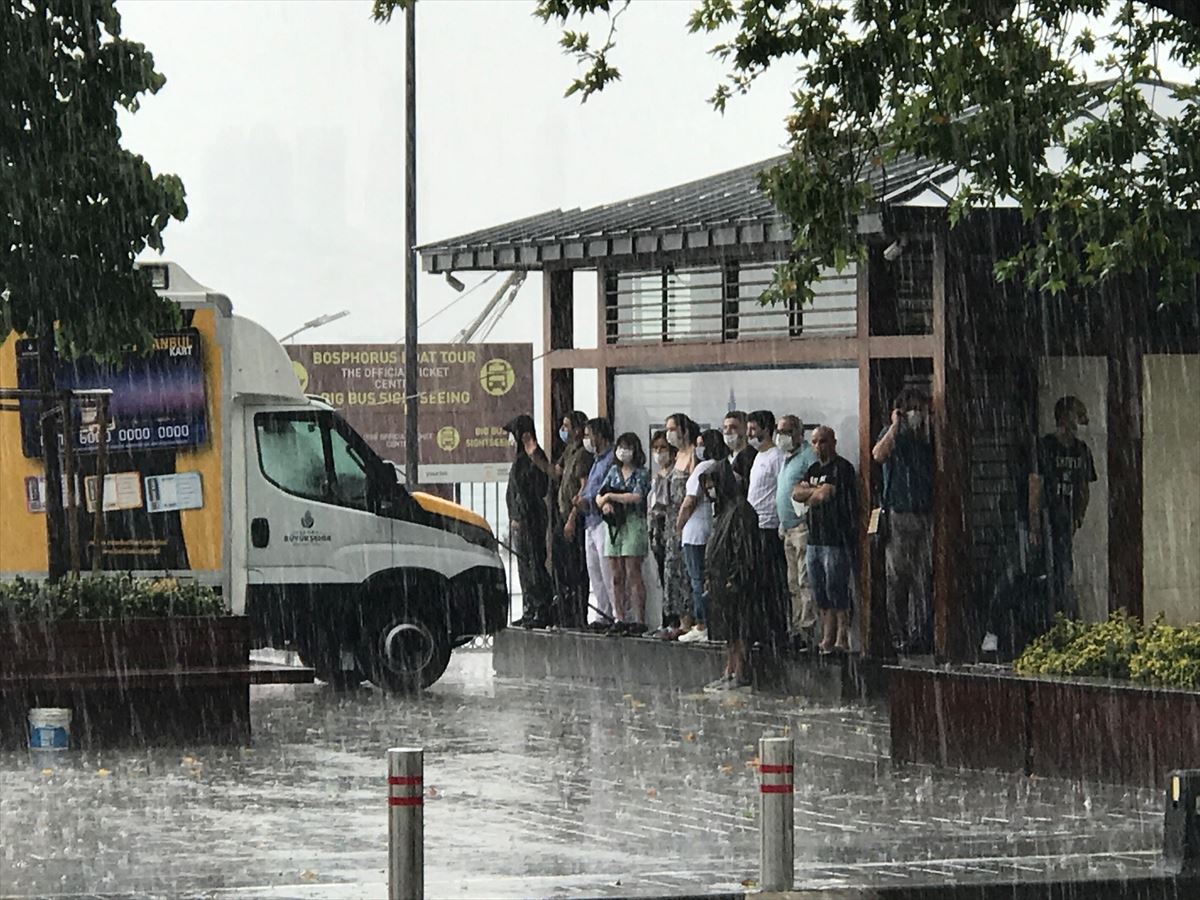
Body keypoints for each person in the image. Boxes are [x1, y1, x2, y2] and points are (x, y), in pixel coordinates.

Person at [871, 387, 935, 654]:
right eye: (912, 409)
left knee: (923, 576)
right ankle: (899, 634)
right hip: (898, 512)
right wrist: (896, 425)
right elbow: (878, 454)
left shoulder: (927, 438)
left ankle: (920, 632)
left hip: (925, 513)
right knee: (898, 577)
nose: (917, 414)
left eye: (921, 409)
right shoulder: (892, 434)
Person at [1029, 395, 1097, 620]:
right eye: (1076, 416)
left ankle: (1062, 617)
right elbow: (1035, 486)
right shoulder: (1046, 447)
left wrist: (1078, 517)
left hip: (1065, 519)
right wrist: (1035, 523)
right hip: (1048, 516)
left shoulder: (1081, 450)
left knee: (1063, 572)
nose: (1078, 423)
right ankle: (1048, 617)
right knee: (1040, 571)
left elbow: (1084, 489)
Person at [794, 426, 858, 654]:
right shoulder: (812, 469)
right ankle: (827, 636)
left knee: (837, 588)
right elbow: (796, 494)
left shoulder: (842, 468)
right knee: (819, 590)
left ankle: (843, 637)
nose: (818, 446)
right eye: (814, 442)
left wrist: (811, 492)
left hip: (836, 538)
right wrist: (814, 490)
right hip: (814, 539)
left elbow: (824, 495)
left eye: (823, 441)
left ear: (833, 442)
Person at [703, 459, 765, 691]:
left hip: (736, 582)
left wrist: (736, 577)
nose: (709, 490)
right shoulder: (723, 510)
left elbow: (745, 549)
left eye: (712, 484)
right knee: (729, 630)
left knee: (741, 629)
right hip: (721, 580)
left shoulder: (741, 510)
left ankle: (741, 673)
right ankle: (730, 670)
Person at [675, 428, 729, 643]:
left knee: (698, 579)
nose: (697, 448)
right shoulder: (721, 466)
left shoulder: (704, 467)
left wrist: (678, 525)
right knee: (705, 578)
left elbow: (689, 501)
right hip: (708, 528)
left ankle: (702, 623)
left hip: (695, 531)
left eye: (700, 443)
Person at [598, 433, 651, 633]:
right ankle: (619, 617)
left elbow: (636, 497)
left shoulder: (642, 473)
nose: (623, 451)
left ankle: (639, 619)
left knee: (633, 571)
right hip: (613, 525)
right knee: (616, 574)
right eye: (620, 447)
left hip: (633, 522)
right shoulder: (613, 471)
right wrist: (604, 504)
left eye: (627, 447)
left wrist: (612, 496)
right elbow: (599, 495)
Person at [504, 414, 554, 628]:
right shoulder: (519, 459)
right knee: (524, 566)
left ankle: (541, 607)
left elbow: (535, 489)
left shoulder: (534, 457)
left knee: (534, 564)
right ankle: (529, 606)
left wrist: (521, 516)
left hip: (531, 520)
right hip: (520, 522)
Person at [775, 414, 819, 651]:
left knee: (805, 581)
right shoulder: (786, 459)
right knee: (793, 582)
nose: (781, 436)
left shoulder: (807, 456)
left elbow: (813, 488)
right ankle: (796, 628)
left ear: (799, 434)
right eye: (779, 431)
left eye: (787, 431)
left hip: (802, 527)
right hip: (788, 528)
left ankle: (807, 631)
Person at [746, 409, 789, 646]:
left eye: (754, 429)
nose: (750, 433)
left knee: (772, 582)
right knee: (757, 583)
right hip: (755, 526)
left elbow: (780, 491)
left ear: (766, 429)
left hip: (769, 526)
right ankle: (761, 630)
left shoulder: (775, 456)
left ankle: (776, 631)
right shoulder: (757, 456)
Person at [655, 412, 699, 638]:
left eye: (672, 429)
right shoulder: (678, 455)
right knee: (673, 571)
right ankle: (679, 619)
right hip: (671, 518)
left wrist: (681, 522)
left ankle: (692, 621)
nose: (670, 434)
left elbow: (693, 492)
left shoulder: (692, 454)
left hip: (687, 519)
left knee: (687, 572)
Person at [572, 417, 616, 628]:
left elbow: (606, 489)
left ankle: (617, 614)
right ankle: (603, 614)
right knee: (595, 570)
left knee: (608, 571)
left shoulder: (610, 460)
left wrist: (589, 501)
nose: (587, 439)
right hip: (589, 520)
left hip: (603, 520)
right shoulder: (596, 460)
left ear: (599, 435)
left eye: (589, 435)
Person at [553, 411, 593, 628]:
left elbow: (583, 486)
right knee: (562, 568)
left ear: (577, 430)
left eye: (567, 426)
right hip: (562, 513)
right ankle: (565, 614)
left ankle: (578, 616)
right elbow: (556, 471)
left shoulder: (583, 455)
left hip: (574, 516)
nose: (563, 429)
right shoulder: (569, 451)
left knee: (576, 568)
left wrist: (572, 517)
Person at [646, 429, 675, 590]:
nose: (658, 452)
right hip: (655, 528)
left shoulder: (674, 473)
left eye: (663, 447)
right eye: (655, 448)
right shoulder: (657, 474)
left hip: (668, 525)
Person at [723, 410, 757, 493]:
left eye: (733, 427)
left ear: (746, 429)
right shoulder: (725, 457)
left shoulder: (751, 456)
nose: (727, 432)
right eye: (725, 427)